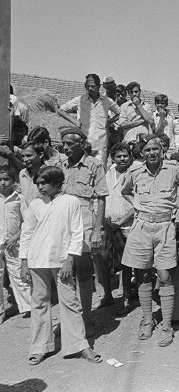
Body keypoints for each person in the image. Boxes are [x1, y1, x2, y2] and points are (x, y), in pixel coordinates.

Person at [19, 166, 102, 365]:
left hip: (61, 259)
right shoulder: (35, 205)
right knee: (39, 302)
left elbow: (77, 231)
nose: (40, 187)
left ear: (57, 183)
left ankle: (79, 345)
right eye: (38, 183)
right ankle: (40, 346)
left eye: (44, 183)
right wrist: (24, 262)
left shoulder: (70, 202)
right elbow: (27, 234)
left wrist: (70, 259)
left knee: (69, 301)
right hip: (37, 259)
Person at [120, 135, 179, 347]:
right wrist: (137, 205)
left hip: (166, 228)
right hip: (142, 227)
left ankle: (166, 324)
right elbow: (125, 191)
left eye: (155, 149)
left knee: (165, 276)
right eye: (147, 150)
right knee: (143, 275)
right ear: (141, 153)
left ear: (162, 149)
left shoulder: (174, 168)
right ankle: (147, 320)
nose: (152, 153)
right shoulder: (135, 171)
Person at [57, 126, 110, 336]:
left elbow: (101, 198)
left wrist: (97, 230)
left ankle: (86, 319)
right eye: (64, 144)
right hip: (62, 222)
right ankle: (71, 320)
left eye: (70, 144)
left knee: (84, 273)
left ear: (81, 144)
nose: (65, 147)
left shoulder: (95, 166)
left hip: (84, 221)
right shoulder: (60, 164)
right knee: (64, 273)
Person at [56, 74, 120, 165]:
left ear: (98, 86)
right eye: (87, 86)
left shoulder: (107, 101)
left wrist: (110, 121)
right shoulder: (79, 100)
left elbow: (120, 113)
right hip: (84, 144)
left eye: (93, 86)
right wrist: (75, 122)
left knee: (100, 170)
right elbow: (61, 110)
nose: (90, 88)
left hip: (101, 144)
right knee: (83, 169)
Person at [104, 142, 136, 315]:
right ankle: (107, 296)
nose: (122, 159)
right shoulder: (107, 174)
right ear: (113, 158)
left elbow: (136, 202)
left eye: (125, 155)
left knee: (126, 264)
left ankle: (125, 298)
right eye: (119, 156)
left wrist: (121, 221)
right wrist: (106, 222)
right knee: (105, 259)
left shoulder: (134, 173)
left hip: (127, 225)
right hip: (108, 225)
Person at [0, 166, 31, 322]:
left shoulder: (19, 198)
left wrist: (16, 237)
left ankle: (28, 307)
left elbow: (26, 222)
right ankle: (1, 311)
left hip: (13, 244)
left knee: (18, 274)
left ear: (13, 181)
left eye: (6, 179)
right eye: (0, 179)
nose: (3, 183)